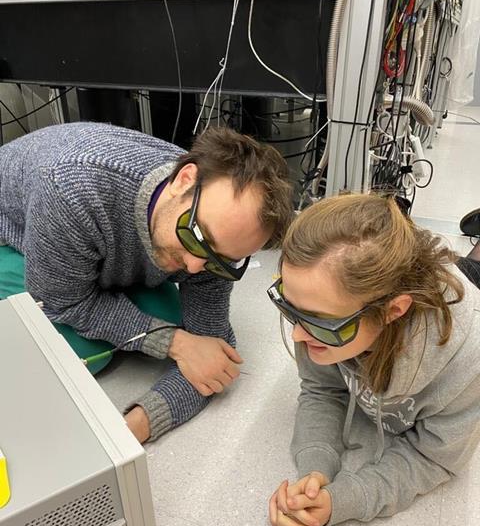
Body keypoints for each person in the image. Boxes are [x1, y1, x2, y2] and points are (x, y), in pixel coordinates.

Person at [0, 122, 293, 443]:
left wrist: (134, 427)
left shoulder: (217, 232)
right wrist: (175, 343)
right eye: (198, 238)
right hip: (13, 235)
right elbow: (63, 301)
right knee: (86, 350)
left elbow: (212, 353)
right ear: (184, 180)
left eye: (220, 259)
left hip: (90, 246)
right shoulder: (70, 187)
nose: (196, 267)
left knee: (176, 327)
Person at [267, 193, 480, 526]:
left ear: (393, 310)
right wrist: (316, 471)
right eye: (289, 308)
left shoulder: (469, 360)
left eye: (319, 323)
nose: (297, 334)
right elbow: (322, 391)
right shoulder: (316, 305)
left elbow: (435, 458)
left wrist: (345, 500)